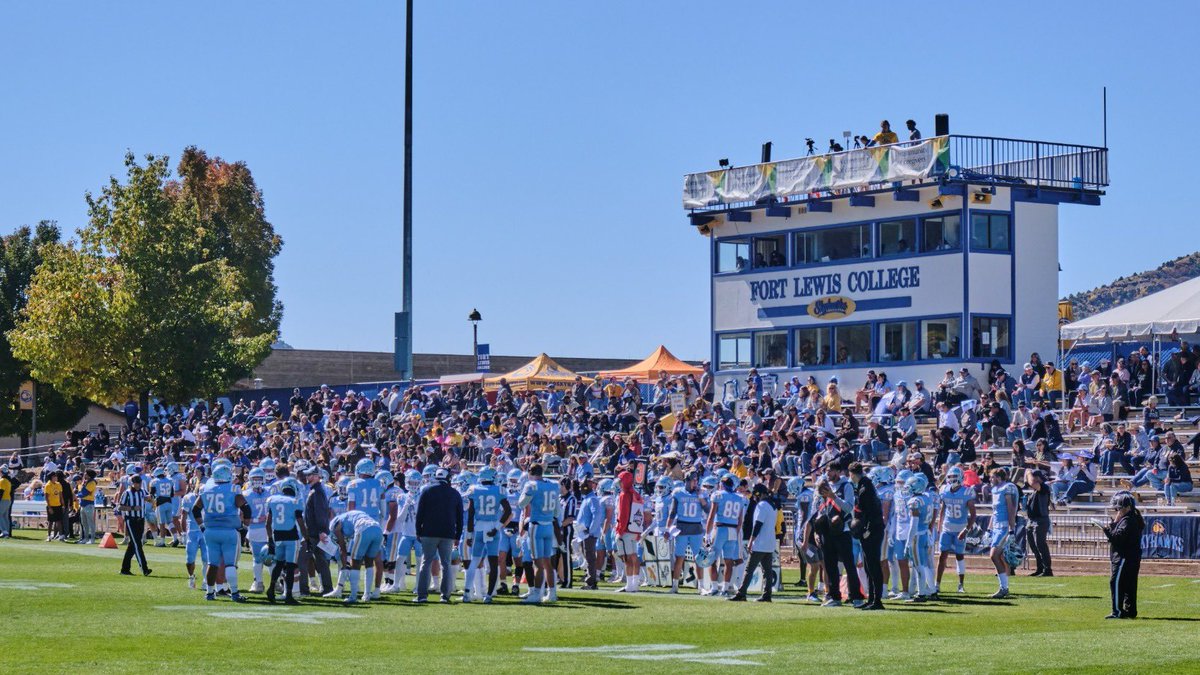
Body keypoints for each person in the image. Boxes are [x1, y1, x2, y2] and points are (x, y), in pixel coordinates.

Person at [193, 461, 249, 602]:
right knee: (230, 563)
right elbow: (246, 508)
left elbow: (195, 509)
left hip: (210, 531)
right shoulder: (233, 489)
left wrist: (202, 526)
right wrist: (245, 527)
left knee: (212, 563)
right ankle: (235, 593)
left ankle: (209, 593)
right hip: (229, 531)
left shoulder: (205, 489)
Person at [415, 467, 464, 604]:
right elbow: (460, 517)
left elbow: (420, 513)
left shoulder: (426, 490)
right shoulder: (454, 493)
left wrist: (418, 531)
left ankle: (422, 595)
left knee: (426, 563)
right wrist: (458, 535)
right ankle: (445, 595)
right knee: (446, 564)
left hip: (429, 532)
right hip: (448, 533)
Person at [464, 467, 512, 603]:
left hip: (479, 527)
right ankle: (489, 595)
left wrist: (469, 534)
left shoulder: (474, 489)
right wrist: (497, 527)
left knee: (474, 561)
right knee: (493, 562)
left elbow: (471, 514)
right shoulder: (499, 490)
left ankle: (467, 593)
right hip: (493, 527)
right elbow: (508, 511)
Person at [518, 463, 561, 603]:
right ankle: (552, 593)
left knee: (538, 564)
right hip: (549, 525)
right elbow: (557, 511)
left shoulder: (531, 485)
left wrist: (527, 493)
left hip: (536, 527)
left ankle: (536, 594)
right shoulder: (553, 485)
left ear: (530, 472)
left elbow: (521, 503)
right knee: (548, 562)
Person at [729, 483, 777, 602]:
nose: (755, 497)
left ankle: (741, 593)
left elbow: (758, 525)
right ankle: (767, 595)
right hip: (770, 542)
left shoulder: (762, 505)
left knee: (749, 569)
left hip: (760, 543)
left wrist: (751, 540)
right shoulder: (773, 505)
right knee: (767, 571)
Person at [1099, 491, 1143, 619]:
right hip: (1131, 557)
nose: (1118, 511)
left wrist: (1107, 529)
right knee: (1129, 584)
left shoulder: (1127, 521)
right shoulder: (1132, 519)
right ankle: (1130, 610)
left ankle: (1117, 611)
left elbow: (1117, 538)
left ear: (1127, 508)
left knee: (1116, 583)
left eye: (1120, 508)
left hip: (1124, 557)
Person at [848, 462, 885, 610]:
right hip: (870, 529)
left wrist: (868, 529)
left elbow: (871, 511)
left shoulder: (865, 488)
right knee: (869, 566)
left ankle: (877, 600)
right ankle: (871, 598)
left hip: (872, 530)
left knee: (873, 565)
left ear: (852, 474)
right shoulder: (864, 485)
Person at [264, 482, 308, 604]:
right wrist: (307, 538)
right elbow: (301, 523)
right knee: (290, 567)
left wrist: (270, 539)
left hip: (277, 536)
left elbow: (267, 524)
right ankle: (289, 595)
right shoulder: (295, 501)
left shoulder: (273, 500)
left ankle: (271, 589)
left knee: (279, 564)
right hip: (291, 537)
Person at [704, 475, 747, 597]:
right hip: (733, 530)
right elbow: (740, 520)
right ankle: (725, 588)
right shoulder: (740, 498)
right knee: (729, 561)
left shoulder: (718, 495)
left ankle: (714, 587)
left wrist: (707, 533)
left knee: (712, 559)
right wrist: (736, 532)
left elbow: (711, 516)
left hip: (720, 529)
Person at [936, 465, 976, 594]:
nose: (952, 479)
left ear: (961, 477)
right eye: (950, 476)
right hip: (947, 527)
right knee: (942, 556)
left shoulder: (967, 491)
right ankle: (937, 584)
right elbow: (943, 509)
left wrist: (966, 530)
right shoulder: (944, 490)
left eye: (954, 476)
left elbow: (973, 514)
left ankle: (960, 585)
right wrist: (939, 525)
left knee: (959, 555)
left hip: (960, 528)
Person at [330, 509, 383, 604]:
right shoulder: (352, 515)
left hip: (363, 528)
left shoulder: (335, 523)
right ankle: (367, 595)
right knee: (369, 562)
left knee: (355, 562)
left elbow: (342, 547)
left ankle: (353, 596)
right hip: (378, 529)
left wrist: (344, 566)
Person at [667, 471, 704, 594]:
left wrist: (701, 497)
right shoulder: (678, 492)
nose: (695, 482)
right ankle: (675, 586)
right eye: (693, 480)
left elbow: (707, 509)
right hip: (682, 528)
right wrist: (668, 528)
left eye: (696, 480)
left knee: (698, 558)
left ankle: (701, 587)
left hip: (696, 528)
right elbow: (672, 512)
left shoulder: (701, 493)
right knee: (679, 558)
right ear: (687, 480)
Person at [987, 468, 1018, 598]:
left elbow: (1011, 510)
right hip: (996, 527)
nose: (990, 479)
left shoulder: (1007, 488)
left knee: (994, 555)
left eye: (992, 477)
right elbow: (994, 512)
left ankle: (1004, 588)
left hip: (1004, 526)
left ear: (999, 478)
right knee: (998, 557)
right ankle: (1004, 587)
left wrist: (1011, 529)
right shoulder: (995, 490)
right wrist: (989, 529)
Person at [613, 469, 645, 594]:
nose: (620, 483)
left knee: (627, 558)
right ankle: (634, 584)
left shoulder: (624, 495)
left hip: (626, 530)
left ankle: (629, 585)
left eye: (621, 481)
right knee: (634, 556)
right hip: (635, 530)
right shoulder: (636, 494)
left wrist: (620, 530)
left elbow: (624, 514)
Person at [118, 474, 151, 577]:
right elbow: (120, 507)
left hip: (141, 520)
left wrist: (151, 496)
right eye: (136, 483)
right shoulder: (127, 493)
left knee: (133, 545)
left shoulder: (142, 491)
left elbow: (148, 499)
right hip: (131, 520)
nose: (138, 485)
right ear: (132, 483)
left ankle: (125, 569)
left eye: (139, 483)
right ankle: (144, 568)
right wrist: (132, 508)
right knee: (137, 544)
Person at [1024, 469, 1053, 577]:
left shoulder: (1044, 487)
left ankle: (1047, 569)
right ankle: (1040, 568)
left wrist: (1028, 472)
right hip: (1032, 520)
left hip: (1040, 520)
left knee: (1041, 545)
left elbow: (1032, 482)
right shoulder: (1035, 492)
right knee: (1034, 546)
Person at [77, 469, 98, 545]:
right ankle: (85, 539)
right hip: (83, 504)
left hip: (88, 504)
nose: (84, 475)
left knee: (90, 523)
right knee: (84, 523)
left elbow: (84, 493)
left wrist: (77, 495)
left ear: (89, 475)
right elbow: (80, 491)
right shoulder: (86, 482)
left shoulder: (92, 483)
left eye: (86, 474)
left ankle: (92, 539)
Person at [0, 465, 16, 538]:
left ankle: (4, 531)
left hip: (3, 500)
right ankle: (6, 532)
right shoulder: (8, 481)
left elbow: (1, 492)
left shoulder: (2, 481)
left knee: (0, 515)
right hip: (8, 500)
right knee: (5, 516)